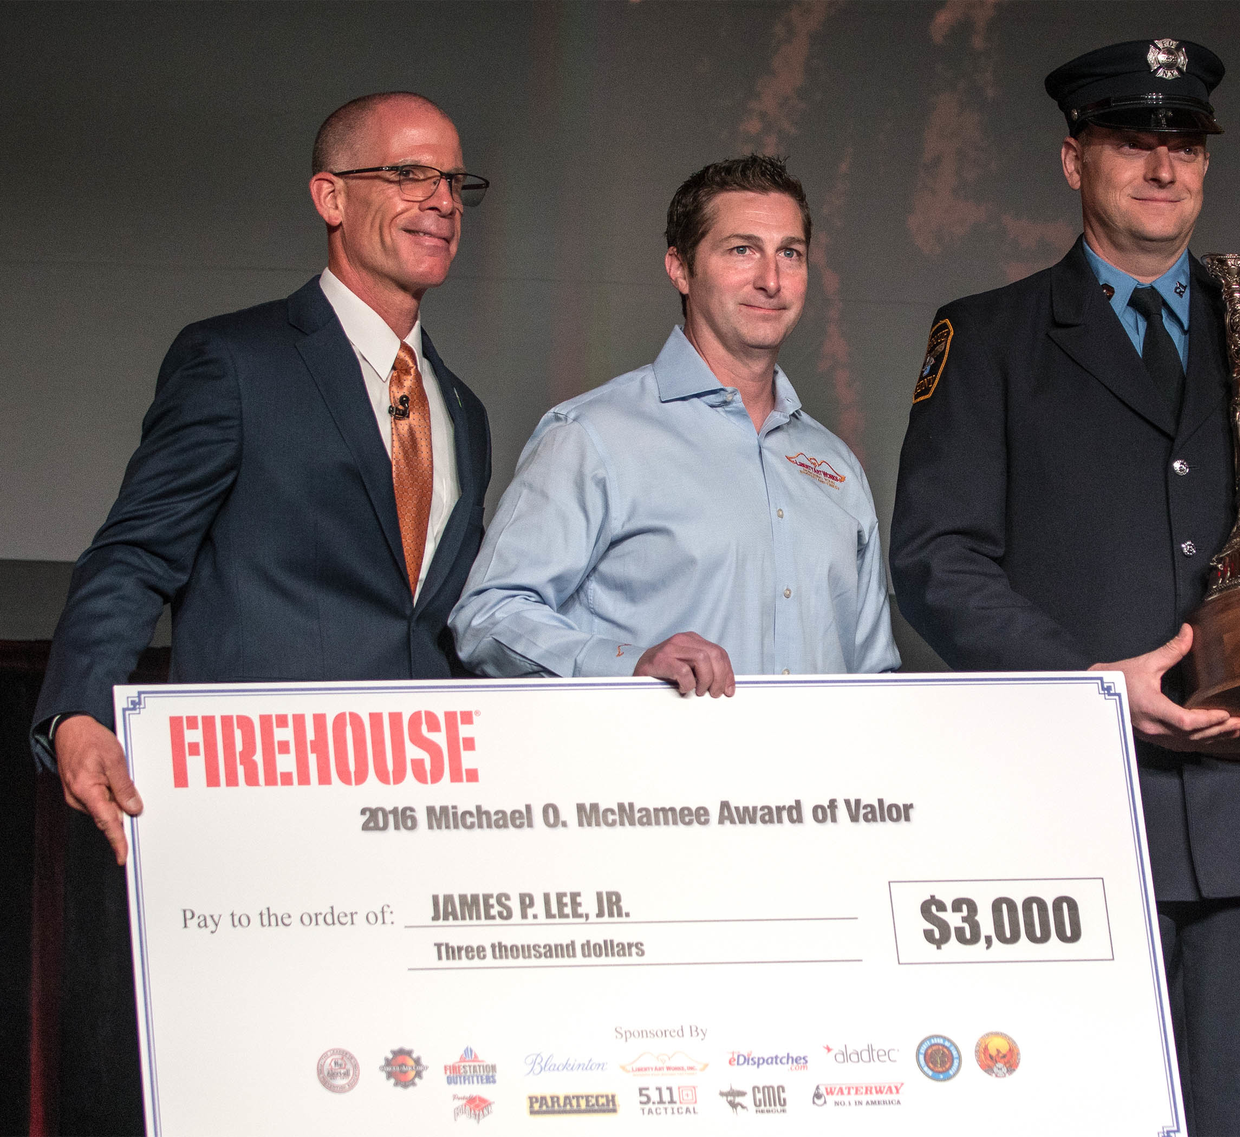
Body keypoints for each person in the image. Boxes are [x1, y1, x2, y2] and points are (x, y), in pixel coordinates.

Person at [889, 40, 1240, 1135]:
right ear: (1073, 160)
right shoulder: (991, 337)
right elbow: (938, 558)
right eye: (1131, 140)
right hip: (1073, 827)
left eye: (1184, 143)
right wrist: (1087, 684)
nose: (1163, 166)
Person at [27, 91, 494, 1135]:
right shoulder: (235, 360)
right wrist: (77, 710)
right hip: (269, 831)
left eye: (454, 180)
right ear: (331, 196)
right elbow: (136, 550)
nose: (440, 201)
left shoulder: (464, 408)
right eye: (406, 175)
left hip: (422, 833)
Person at [451, 155, 897, 687]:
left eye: (790, 254)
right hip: (650, 769)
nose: (771, 280)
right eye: (742, 250)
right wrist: (629, 664)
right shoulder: (593, 437)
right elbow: (488, 617)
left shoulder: (837, 467)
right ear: (680, 268)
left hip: (818, 772)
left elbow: (876, 678)